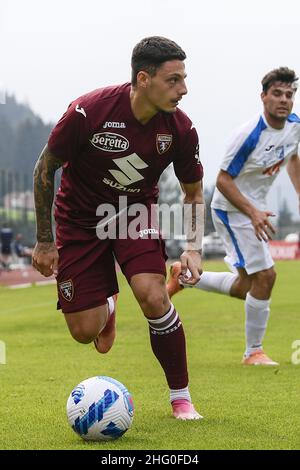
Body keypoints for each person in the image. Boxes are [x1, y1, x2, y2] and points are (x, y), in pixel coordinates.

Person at [32, 36, 205, 420]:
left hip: (134, 214)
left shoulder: (181, 129)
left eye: (184, 78)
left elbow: (193, 193)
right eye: (173, 80)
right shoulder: (87, 112)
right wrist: (45, 240)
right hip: (78, 220)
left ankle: (181, 399)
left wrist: (193, 247)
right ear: (144, 79)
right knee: (84, 331)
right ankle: (107, 306)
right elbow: (45, 169)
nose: (184, 89)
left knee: (153, 295)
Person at [168, 67, 300, 366]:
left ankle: (185, 277)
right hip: (232, 209)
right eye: (277, 94)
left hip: (253, 210)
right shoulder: (248, 135)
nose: (284, 100)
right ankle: (253, 351)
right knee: (266, 276)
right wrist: (252, 212)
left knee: (246, 287)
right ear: (263, 97)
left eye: (289, 95)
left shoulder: (294, 127)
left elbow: (292, 157)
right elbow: (224, 181)